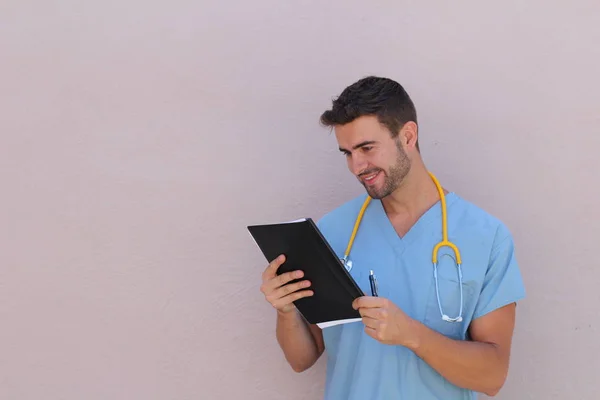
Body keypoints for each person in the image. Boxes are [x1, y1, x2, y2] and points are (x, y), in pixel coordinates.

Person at [259, 76, 526, 399]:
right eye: (347, 153)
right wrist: (285, 310)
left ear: (408, 136)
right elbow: (302, 358)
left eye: (367, 148)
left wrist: (411, 335)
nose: (357, 166)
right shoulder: (331, 233)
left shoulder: (485, 237)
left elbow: (492, 376)